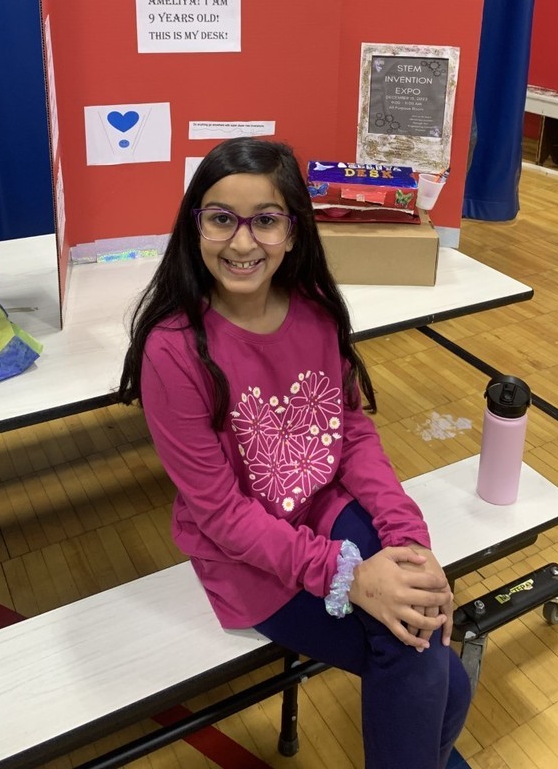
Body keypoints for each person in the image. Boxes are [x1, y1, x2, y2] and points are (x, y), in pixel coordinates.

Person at [119, 138, 471, 768]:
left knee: (430, 659)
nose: (243, 242)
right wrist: (351, 576)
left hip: (323, 511)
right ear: (195, 224)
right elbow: (223, 516)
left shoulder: (314, 311)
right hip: (246, 559)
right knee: (428, 665)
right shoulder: (173, 351)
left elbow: (351, 432)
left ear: (293, 228)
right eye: (222, 218)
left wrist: (408, 541)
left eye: (266, 220)